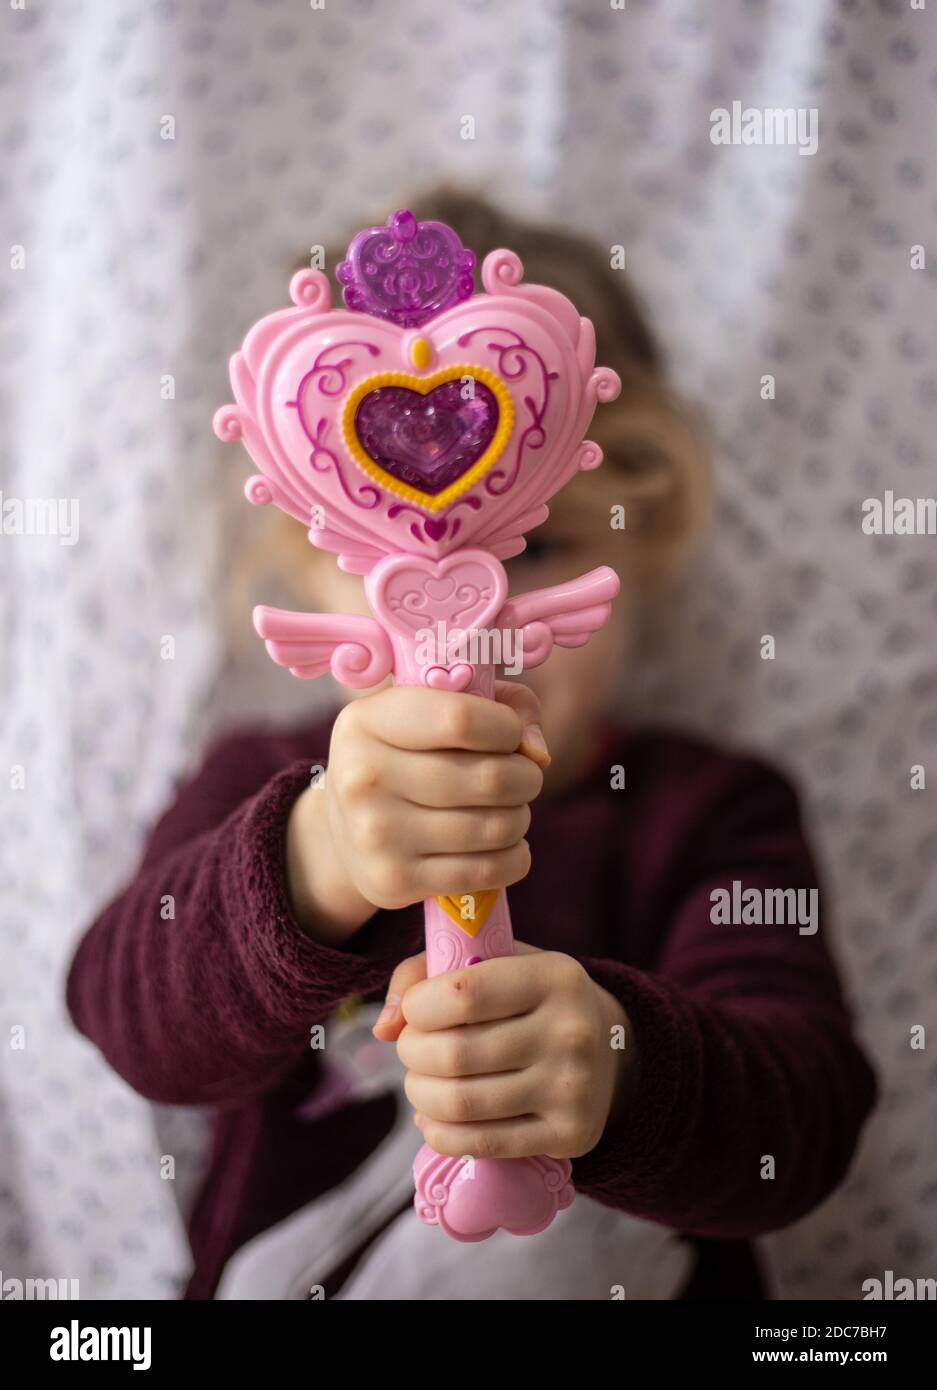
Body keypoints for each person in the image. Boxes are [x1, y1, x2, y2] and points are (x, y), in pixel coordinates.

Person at [65, 187, 877, 1300]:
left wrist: (622, 1076)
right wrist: (315, 861)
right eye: (375, 533)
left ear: (647, 535)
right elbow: (123, 1015)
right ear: (303, 559)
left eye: (537, 539)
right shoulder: (258, 781)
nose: (473, 608)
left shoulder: (711, 810)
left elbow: (807, 1119)